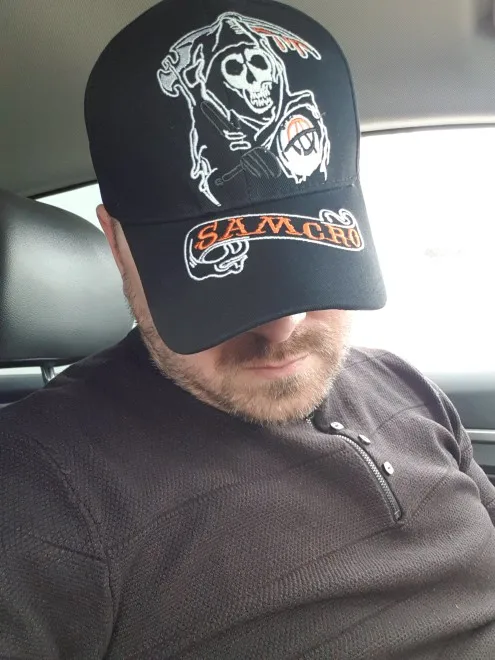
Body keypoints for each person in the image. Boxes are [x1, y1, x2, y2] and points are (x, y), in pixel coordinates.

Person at [1, 0, 495, 658]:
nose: (282, 325)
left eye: (307, 256)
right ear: (118, 246)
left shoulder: (405, 384)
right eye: (226, 280)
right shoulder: (42, 482)